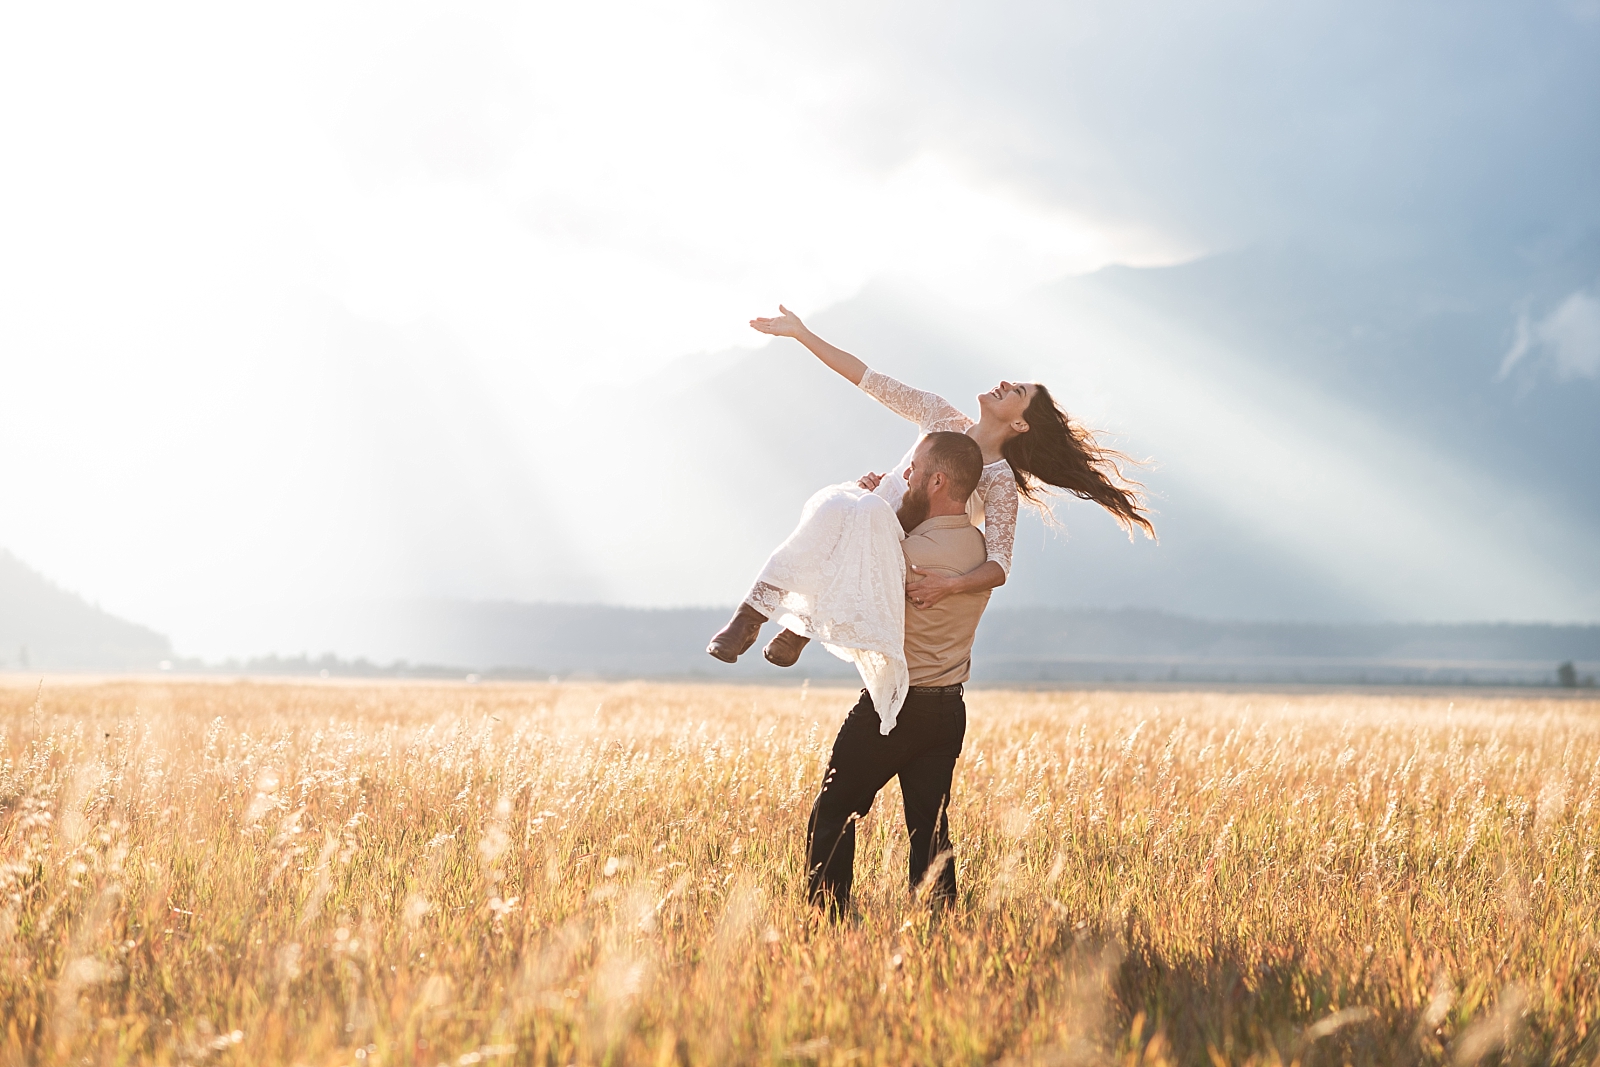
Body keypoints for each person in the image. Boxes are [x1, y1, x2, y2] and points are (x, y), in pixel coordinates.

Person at [708, 305, 1154, 730]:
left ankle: (792, 626)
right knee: (837, 505)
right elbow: (866, 377)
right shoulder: (939, 416)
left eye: (1016, 391)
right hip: (870, 514)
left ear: (1020, 425)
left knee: (845, 510)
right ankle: (753, 617)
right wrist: (801, 334)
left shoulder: (998, 483)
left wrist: (950, 584)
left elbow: (1000, 566)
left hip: (899, 553)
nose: (1004, 382)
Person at [804, 431, 991, 916]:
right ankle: (941, 922)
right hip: (949, 708)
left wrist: (866, 504)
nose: (903, 475)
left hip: (895, 709)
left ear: (937, 480)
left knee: (833, 811)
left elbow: (837, 572)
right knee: (929, 826)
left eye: (913, 468)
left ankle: (830, 920)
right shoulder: (978, 551)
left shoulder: (905, 553)